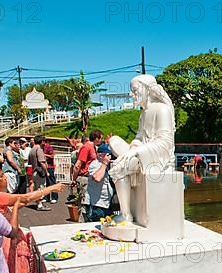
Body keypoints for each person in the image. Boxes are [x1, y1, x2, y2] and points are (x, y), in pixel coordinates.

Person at [108, 74, 175, 223]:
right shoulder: (143, 114)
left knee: (119, 166)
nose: (131, 94)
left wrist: (136, 151)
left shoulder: (162, 110)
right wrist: (135, 146)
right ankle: (126, 213)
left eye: (135, 90)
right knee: (114, 141)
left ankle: (126, 215)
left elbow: (166, 142)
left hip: (157, 156)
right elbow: (139, 137)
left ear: (147, 89)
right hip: (142, 151)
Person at [72, 131, 102, 220]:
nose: (101, 140)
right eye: (101, 138)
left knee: (88, 203)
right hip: (84, 178)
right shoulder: (86, 147)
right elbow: (78, 164)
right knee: (84, 203)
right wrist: (74, 179)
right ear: (96, 138)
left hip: (90, 178)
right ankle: (81, 224)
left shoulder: (93, 148)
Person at [83, 143, 114, 222]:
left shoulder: (109, 165)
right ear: (100, 155)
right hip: (96, 205)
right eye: (108, 155)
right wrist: (104, 163)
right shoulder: (94, 164)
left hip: (107, 204)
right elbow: (97, 178)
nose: (111, 157)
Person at [28, 136, 50, 211]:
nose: (45, 143)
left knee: (36, 188)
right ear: (42, 142)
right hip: (40, 172)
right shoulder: (39, 149)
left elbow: (30, 162)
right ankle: (40, 205)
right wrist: (46, 172)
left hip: (34, 171)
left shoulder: (32, 150)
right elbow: (41, 162)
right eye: (44, 141)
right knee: (41, 188)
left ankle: (39, 203)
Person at [43, 139, 58, 203]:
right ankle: (47, 197)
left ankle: (54, 197)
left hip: (49, 167)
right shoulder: (41, 148)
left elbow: (52, 156)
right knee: (46, 183)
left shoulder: (49, 147)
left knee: (52, 182)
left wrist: (45, 155)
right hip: (44, 167)